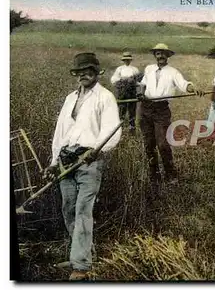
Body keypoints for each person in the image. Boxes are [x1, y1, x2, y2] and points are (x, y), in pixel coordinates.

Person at [43, 52, 122, 280]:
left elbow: (112, 130)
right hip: (66, 160)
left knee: (83, 209)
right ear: (75, 74)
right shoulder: (70, 99)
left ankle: (81, 265)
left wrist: (95, 150)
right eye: (79, 71)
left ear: (97, 73)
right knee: (68, 208)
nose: (83, 75)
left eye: (89, 71)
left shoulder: (104, 97)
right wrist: (53, 162)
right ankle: (84, 254)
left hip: (89, 161)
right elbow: (60, 133)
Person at [137, 43, 204, 192]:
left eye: (163, 53)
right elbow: (142, 85)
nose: (160, 56)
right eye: (158, 53)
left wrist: (193, 89)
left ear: (168, 56)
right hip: (146, 108)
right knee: (149, 144)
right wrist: (140, 92)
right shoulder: (149, 69)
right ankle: (154, 175)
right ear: (155, 55)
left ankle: (171, 174)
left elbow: (184, 84)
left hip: (161, 110)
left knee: (163, 144)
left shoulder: (173, 72)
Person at [110, 52, 142, 134]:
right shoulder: (119, 69)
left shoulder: (135, 69)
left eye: (128, 60)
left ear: (130, 60)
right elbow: (113, 80)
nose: (127, 61)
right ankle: (120, 129)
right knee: (122, 110)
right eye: (125, 60)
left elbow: (139, 82)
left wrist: (133, 81)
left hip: (132, 92)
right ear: (123, 60)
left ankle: (132, 128)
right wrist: (123, 80)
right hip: (122, 92)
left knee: (132, 110)